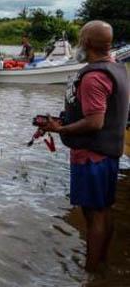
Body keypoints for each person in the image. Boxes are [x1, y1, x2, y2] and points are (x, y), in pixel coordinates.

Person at [40, 21, 129, 273]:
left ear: (87, 43)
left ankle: (90, 274)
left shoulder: (93, 76)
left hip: (92, 157)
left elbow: (94, 121)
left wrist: (60, 129)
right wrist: (64, 120)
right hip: (108, 154)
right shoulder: (116, 68)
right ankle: (102, 265)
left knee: (93, 216)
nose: (79, 43)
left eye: (81, 38)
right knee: (104, 211)